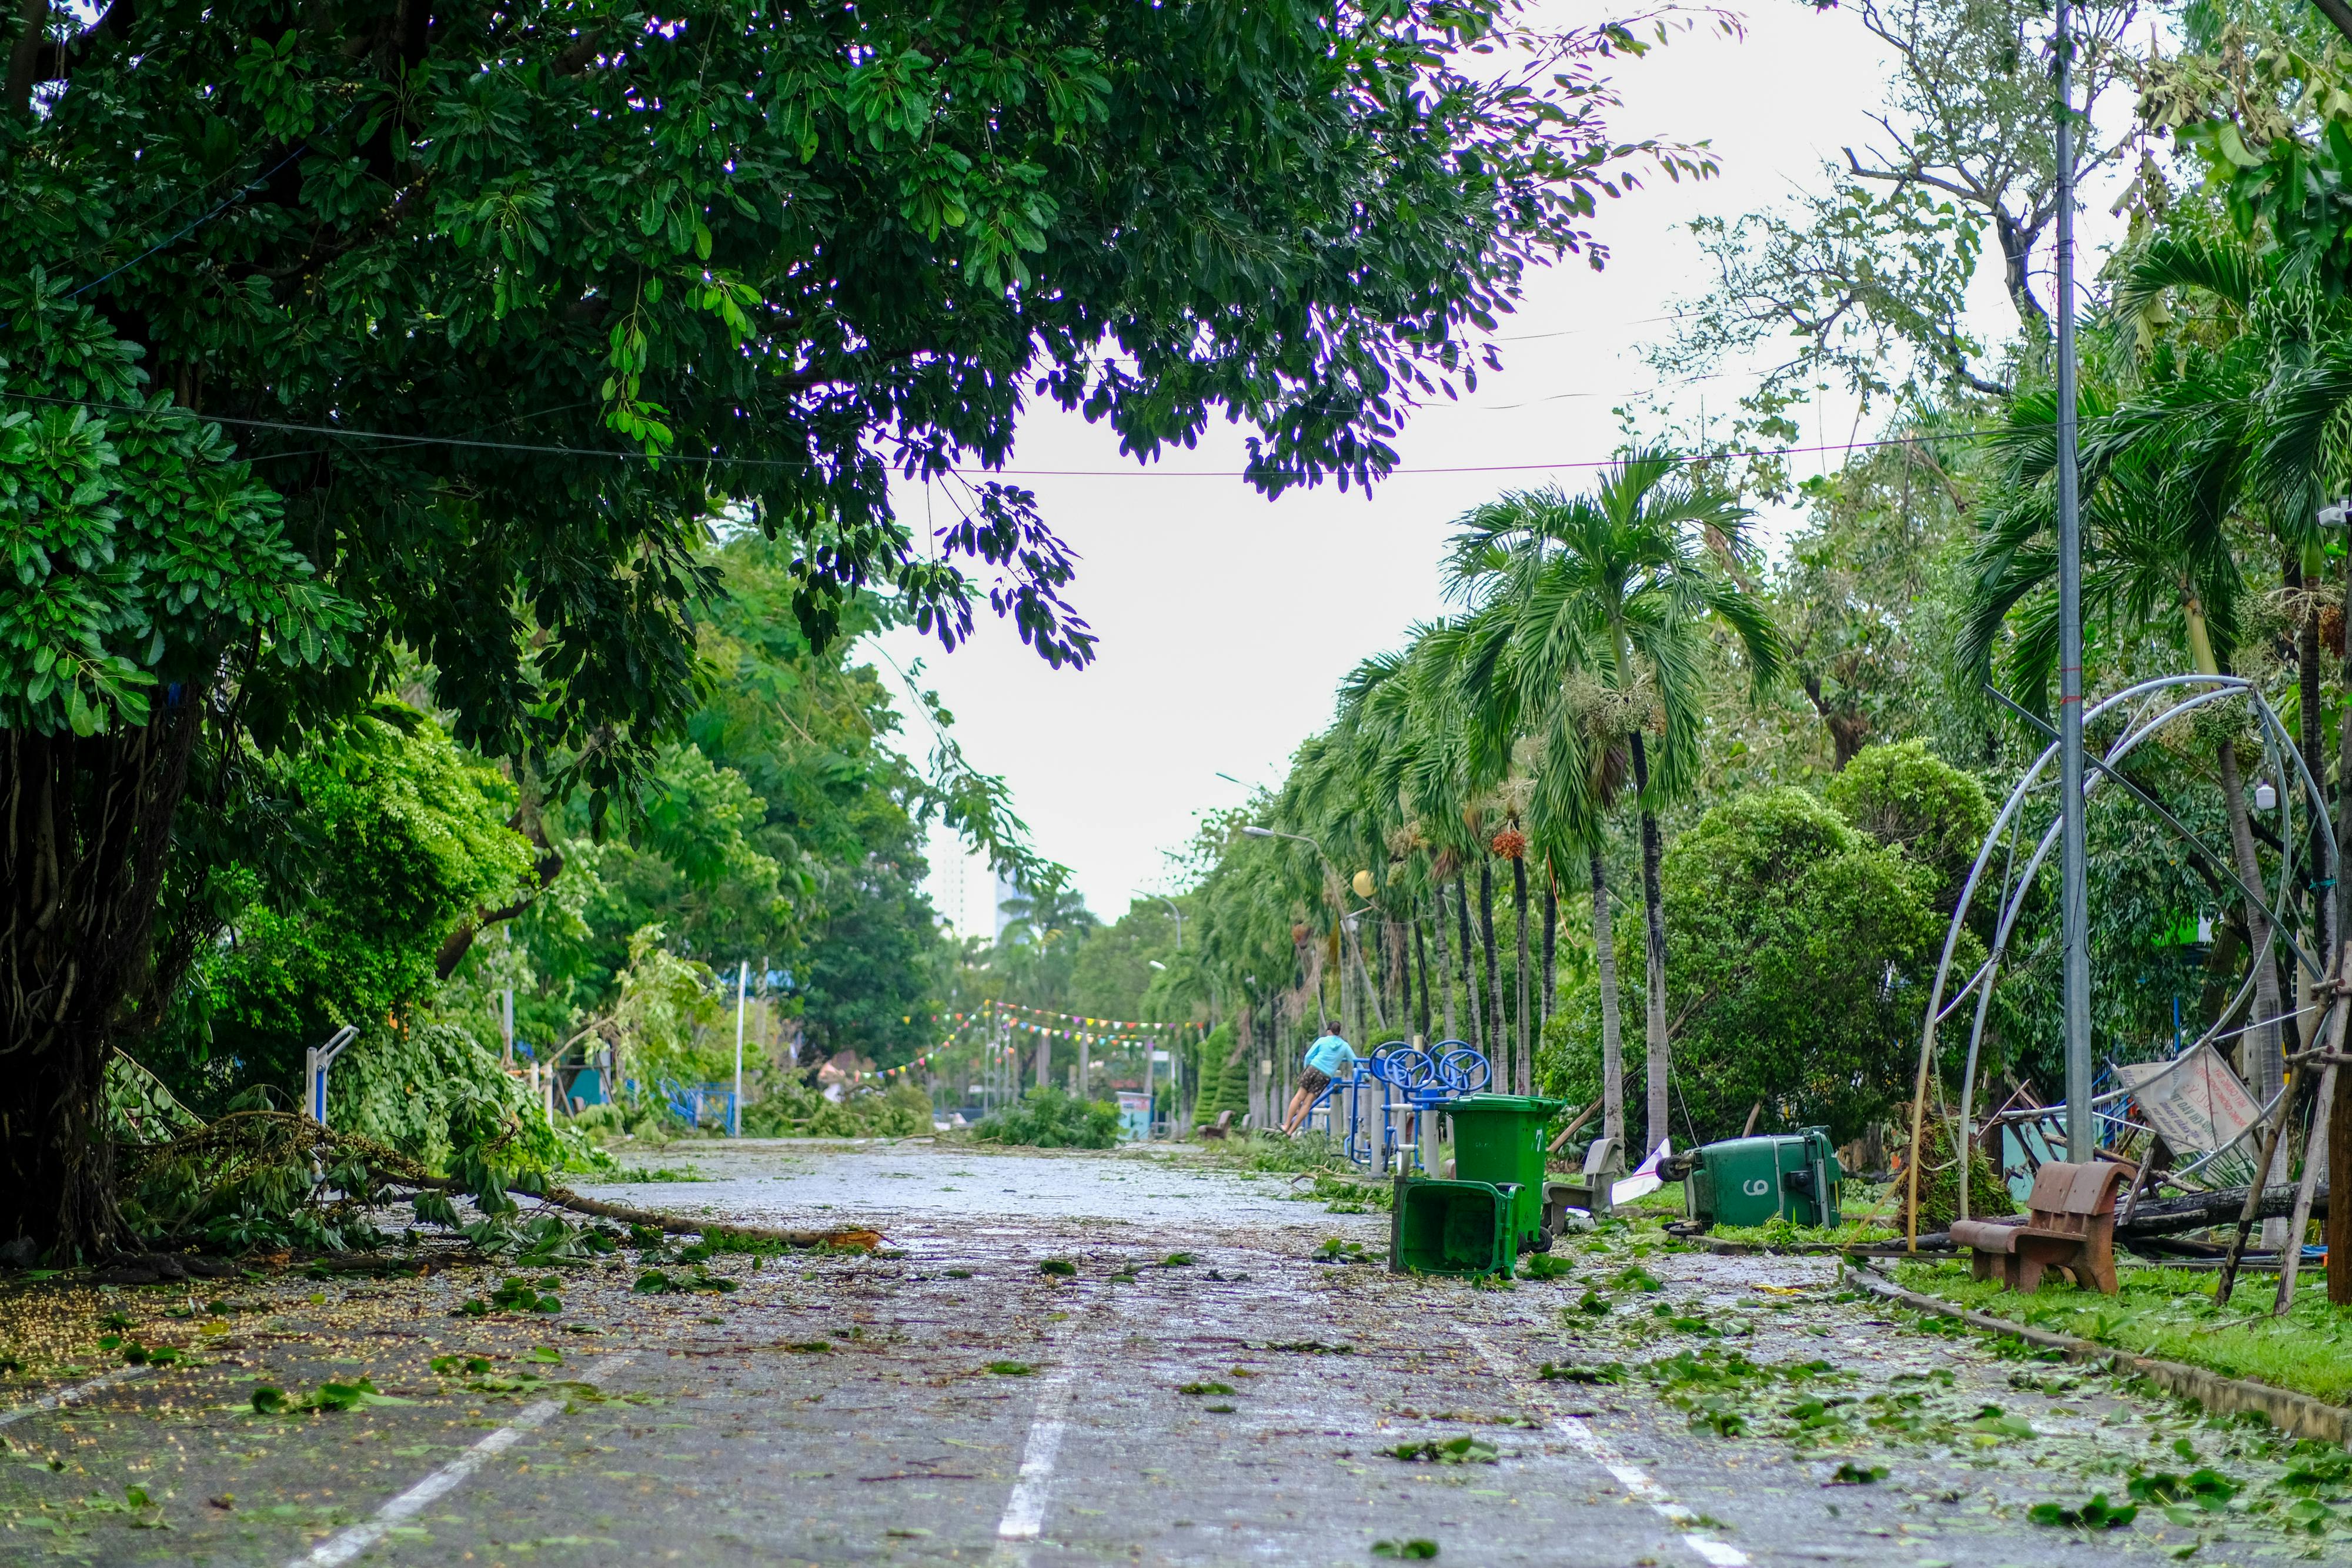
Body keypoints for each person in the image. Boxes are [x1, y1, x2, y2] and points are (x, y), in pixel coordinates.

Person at [1281, 1028, 1357, 1135]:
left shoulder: (1322, 1040)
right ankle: (1291, 1131)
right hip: (1325, 1075)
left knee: (1299, 1096)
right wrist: (1366, 1076)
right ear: (1339, 1032)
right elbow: (1355, 1061)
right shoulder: (1345, 1046)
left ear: (1329, 1031)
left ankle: (1286, 1125)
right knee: (1307, 1103)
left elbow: (1308, 1056)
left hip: (1313, 1068)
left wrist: (1306, 1068)